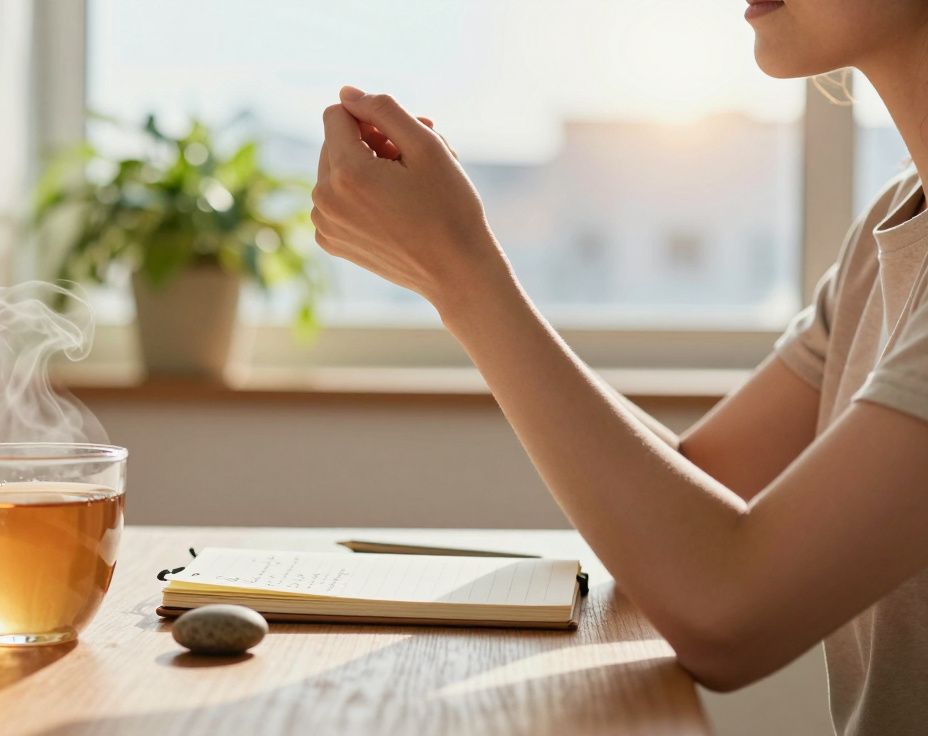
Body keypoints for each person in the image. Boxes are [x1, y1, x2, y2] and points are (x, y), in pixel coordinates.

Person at [310, 2, 928, 733]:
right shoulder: (891, 226)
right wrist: (454, 267)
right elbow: (696, 495)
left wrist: (462, 273)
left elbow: (729, 613)